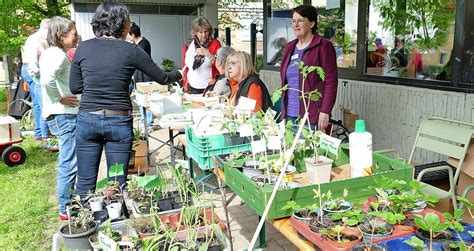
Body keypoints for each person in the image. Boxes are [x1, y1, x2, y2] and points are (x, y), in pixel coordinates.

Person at [69, 2, 182, 197]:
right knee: (116, 183)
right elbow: (162, 78)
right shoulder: (131, 50)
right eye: (128, 21)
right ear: (121, 23)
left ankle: (82, 223)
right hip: (117, 120)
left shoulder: (83, 47)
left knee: (85, 183)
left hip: (88, 119)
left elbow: (75, 87)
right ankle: (116, 223)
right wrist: (180, 73)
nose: (130, 25)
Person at [39, 16, 80, 221]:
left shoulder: (51, 53)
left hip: (60, 114)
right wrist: (59, 98)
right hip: (64, 115)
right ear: (61, 35)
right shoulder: (56, 54)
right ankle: (66, 207)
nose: (76, 37)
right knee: (69, 161)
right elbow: (47, 80)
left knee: (68, 159)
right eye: (73, 34)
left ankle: (68, 202)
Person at [280, 5, 338, 130]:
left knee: (308, 150)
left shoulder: (323, 46)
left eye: (300, 20)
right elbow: (286, 84)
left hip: (311, 115)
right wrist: (283, 113)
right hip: (290, 114)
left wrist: (325, 111)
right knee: (290, 149)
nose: (296, 24)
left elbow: (331, 82)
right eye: (293, 21)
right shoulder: (290, 47)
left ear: (311, 23)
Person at [21, 19, 56, 149]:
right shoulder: (41, 38)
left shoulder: (32, 37)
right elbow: (35, 61)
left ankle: (40, 133)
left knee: (37, 103)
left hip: (28, 69)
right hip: (34, 71)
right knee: (43, 104)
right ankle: (45, 136)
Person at [184, 16, 221, 94]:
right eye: (200, 32)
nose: (203, 35)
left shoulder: (215, 44)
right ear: (195, 33)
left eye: (206, 31)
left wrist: (207, 53)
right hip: (192, 86)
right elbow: (186, 64)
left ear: (209, 31)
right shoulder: (191, 44)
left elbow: (221, 65)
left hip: (209, 86)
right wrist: (185, 83)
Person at [127, 22, 153, 129]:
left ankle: (148, 121)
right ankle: (144, 120)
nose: (127, 37)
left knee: (146, 98)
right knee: (140, 98)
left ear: (133, 35)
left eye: (128, 35)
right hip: (138, 76)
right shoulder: (136, 44)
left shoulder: (144, 43)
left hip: (145, 76)